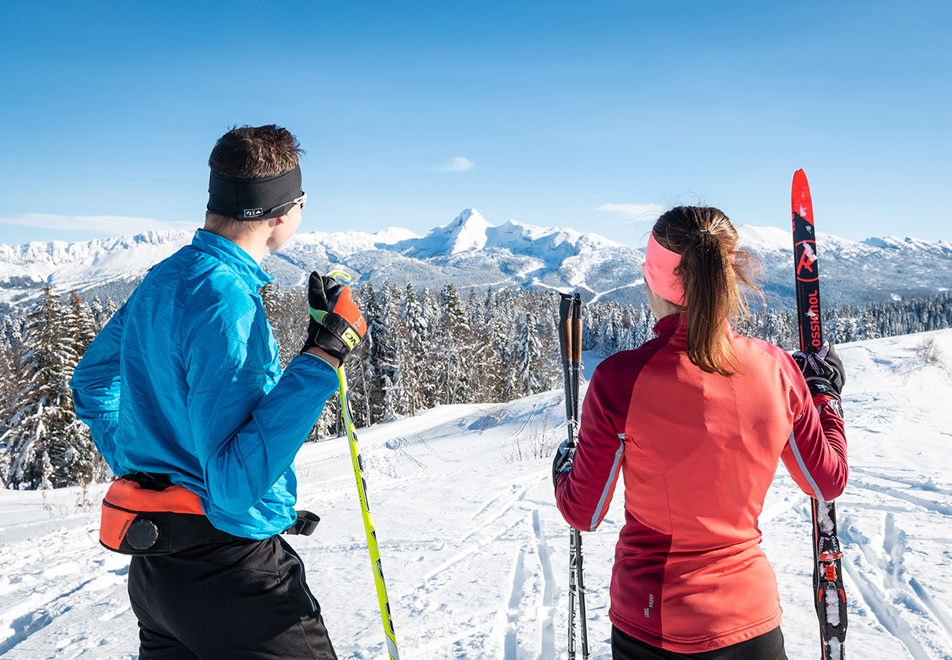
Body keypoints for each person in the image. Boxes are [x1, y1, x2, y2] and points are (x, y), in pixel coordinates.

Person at [71, 125, 366, 660]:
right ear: (281, 211)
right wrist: (324, 358)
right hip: (235, 581)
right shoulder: (227, 302)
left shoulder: (163, 280)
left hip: (158, 577)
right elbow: (232, 485)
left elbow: (93, 385)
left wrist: (151, 469)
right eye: (302, 201)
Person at [553, 206, 848, 659]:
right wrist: (824, 397)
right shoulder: (777, 370)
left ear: (654, 281)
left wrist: (564, 468)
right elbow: (827, 480)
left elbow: (584, 512)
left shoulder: (620, 381)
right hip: (750, 622)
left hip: (653, 624)